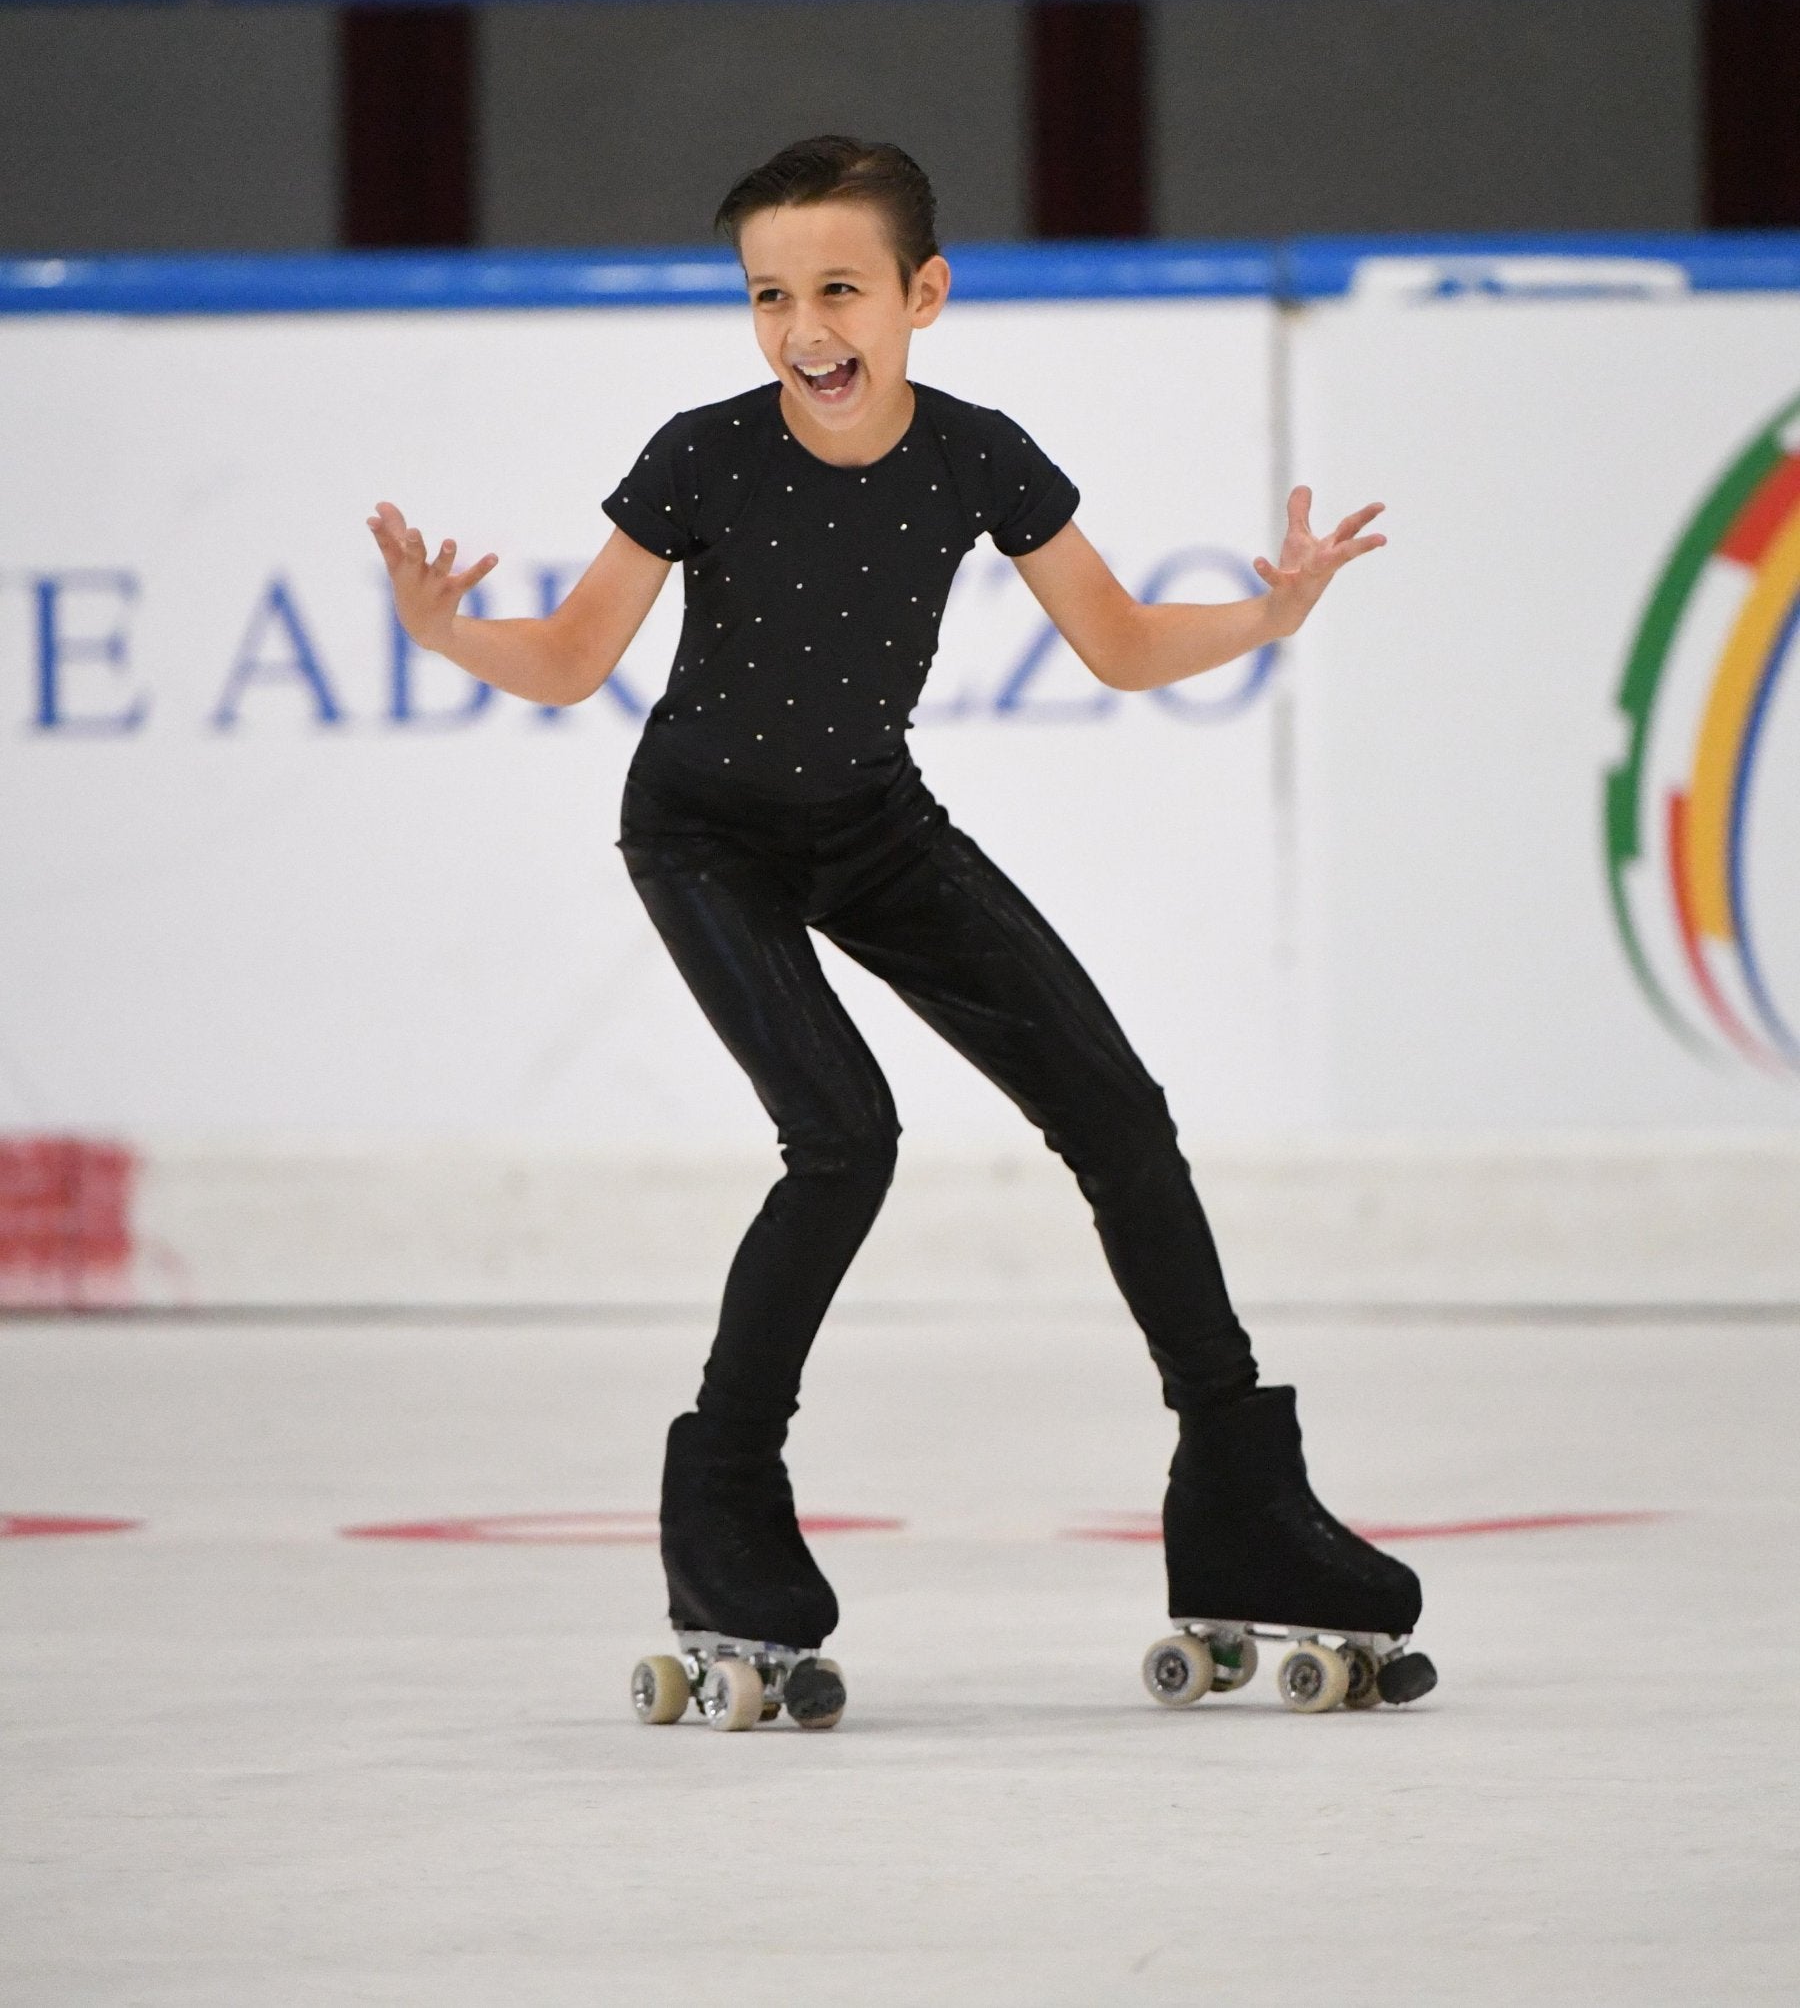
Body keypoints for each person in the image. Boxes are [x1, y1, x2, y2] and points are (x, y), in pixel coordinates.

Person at [369, 135, 1432, 1718]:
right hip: (706, 838)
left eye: (840, 289)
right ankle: (724, 1495)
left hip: (873, 830)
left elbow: (1125, 641)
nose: (806, 327)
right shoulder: (702, 456)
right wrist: (446, 631)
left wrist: (1269, 613)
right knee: (844, 1138)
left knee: (1118, 1113)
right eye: (771, 295)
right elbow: (580, 656)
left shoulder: (980, 457)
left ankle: (1240, 1497)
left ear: (923, 296)